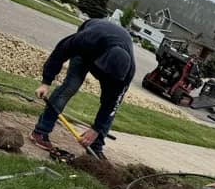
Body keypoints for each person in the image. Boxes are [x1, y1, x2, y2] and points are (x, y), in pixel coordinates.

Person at [31, 18, 136, 159]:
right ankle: (40, 132)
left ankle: (95, 147)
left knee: (110, 105)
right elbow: (60, 52)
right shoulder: (87, 39)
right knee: (70, 87)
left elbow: (112, 105)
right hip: (87, 51)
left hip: (110, 63)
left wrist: (96, 129)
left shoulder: (127, 73)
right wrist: (46, 82)